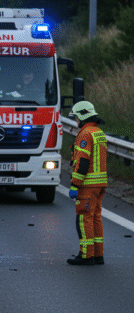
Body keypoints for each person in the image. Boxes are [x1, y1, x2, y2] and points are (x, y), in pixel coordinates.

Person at [67, 101, 107, 265]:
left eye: (76, 117)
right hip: (100, 184)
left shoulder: (85, 135)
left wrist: (75, 184)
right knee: (96, 218)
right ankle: (98, 255)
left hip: (88, 185)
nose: (76, 121)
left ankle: (86, 256)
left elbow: (82, 163)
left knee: (84, 219)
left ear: (82, 116)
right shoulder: (98, 132)